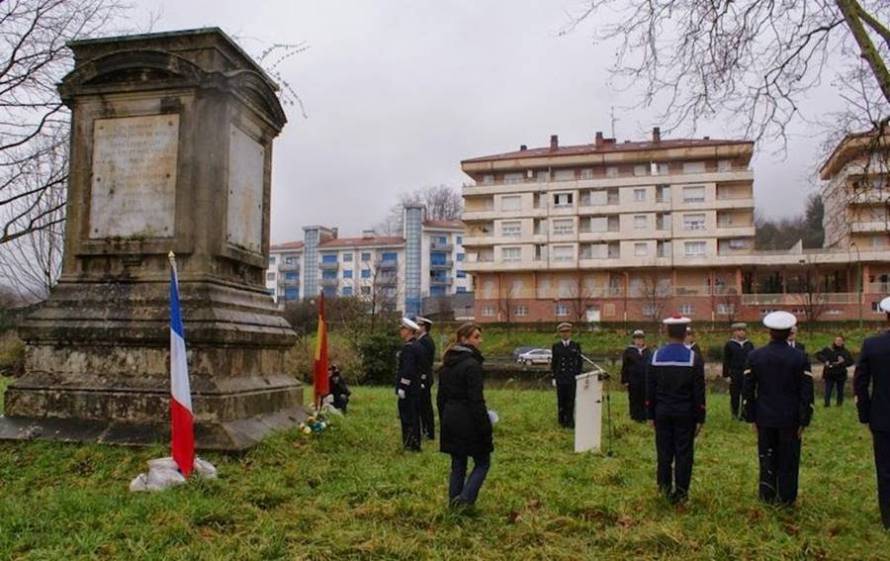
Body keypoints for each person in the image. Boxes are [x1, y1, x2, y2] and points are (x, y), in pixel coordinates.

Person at [742, 311, 814, 506]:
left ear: (769, 332)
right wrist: (804, 419)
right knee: (789, 459)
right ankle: (787, 498)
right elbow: (806, 392)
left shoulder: (755, 356)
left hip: (764, 417)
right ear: (790, 331)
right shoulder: (800, 357)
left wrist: (751, 417)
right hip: (791, 418)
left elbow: (748, 390)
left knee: (766, 456)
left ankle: (767, 494)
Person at [647, 314, 706, 504]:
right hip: (685, 413)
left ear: (667, 332)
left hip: (662, 412)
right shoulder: (693, 358)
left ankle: (663, 489)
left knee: (663, 452)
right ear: (685, 333)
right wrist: (700, 417)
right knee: (684, 453)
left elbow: (650, 389)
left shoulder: (655, 356)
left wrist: (650, 414)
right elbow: (699, 392)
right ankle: (681, 492)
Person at [437, 322, 493, 508]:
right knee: (483, 462)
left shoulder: (446, 365)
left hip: (450, 419)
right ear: (464, 339)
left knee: (458, 464)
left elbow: (440, 398)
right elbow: (476, 400)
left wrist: (444, 419)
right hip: (469, 420)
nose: (480, 341)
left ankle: (453, 503)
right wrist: (486, 426)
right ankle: (465, 500)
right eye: (476, 337)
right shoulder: (472, 366)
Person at [854, 296, 890, 529]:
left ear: (886, 315)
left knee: (886, 470)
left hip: (882, 417)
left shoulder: (873, 345)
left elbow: (860, 382)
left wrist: (865, 414)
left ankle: (888, 518)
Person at [395, 317, 422, 451]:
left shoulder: (410, 348)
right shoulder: (417, 345)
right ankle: (412, 443)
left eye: (403, 329)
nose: (401, 331)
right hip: (415, 388)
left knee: (408, 416)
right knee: (413, 416)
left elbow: (408, 369)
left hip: (409, 389)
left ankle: (411, 444)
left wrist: (403, 386)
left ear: (410, 331)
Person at [551, 322, 583, 428]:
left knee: (571, 400)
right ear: (560, 333)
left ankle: (570, 420)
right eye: (563, 332)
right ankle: (561, 420)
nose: (565, 334)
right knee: (561, 400)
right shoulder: (556, 346)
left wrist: (578, 375)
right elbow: (554, 362)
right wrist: (554, 377)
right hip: (561, 377)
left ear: (570, 333)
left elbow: (579, 362)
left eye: (567, 332)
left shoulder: (575, 345)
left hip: (571, 377)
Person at [723, 323, 755, 420]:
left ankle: (745, 414)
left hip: (747, 373)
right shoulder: (729, 345)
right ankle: (735, 414)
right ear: (734, 332)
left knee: (747, 394)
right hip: (735, 373)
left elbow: (753, 359)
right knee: (735, 395)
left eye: (743, 330)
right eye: (739, 330)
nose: (742, 332)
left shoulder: (749, 344)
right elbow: (726, 360)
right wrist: (726, 375)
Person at [621, 329, 651, 422]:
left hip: (645, 379)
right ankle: (634, 416)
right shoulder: (629, 351)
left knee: (644, 398)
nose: (639, 341)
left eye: (641, 338)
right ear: (634, 340)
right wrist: (625, 380)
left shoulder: (647, 351)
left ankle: (644, 416)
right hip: (633, 380)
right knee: (634, 398)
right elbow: (625, 366)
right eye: (637, 338)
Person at [816, 336, 854, 407]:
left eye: (840, 341)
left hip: (841, 374)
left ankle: (839, 405)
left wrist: (843, 362)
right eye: (837, 340)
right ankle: (827, 404)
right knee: (828, 390)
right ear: (834, 341)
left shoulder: (845, 352)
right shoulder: (828, 349)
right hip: (829, 374)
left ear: (843, 342)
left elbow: (851, 362)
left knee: (840, 391)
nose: (838, 342)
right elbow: (818, 355)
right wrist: (825, 361)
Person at [415, 316, 436, 440]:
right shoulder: (423, 340)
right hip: (425, 376)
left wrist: (421, 377)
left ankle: (428, 431)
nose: (417, 327)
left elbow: (424, 362)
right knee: (424, 405)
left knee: (425, 406)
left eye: (419, 325)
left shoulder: (425, 341)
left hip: (424, 377)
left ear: (424, 327)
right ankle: (426, 430)